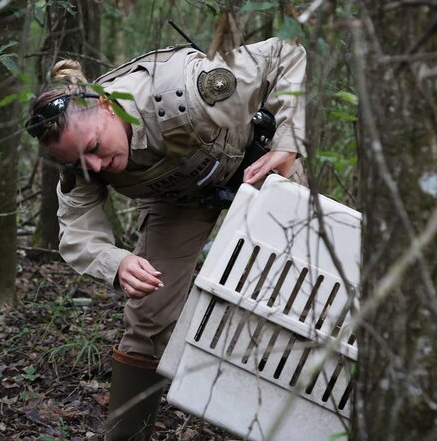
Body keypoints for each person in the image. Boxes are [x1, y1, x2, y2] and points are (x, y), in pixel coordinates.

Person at [26, 37, 307, 440]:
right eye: (79, 161)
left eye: (94, 147)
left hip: (259, 163)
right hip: (178, 198)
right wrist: (118, 262)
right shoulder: (81, 163)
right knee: (149, 313)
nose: (94, 165)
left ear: (106, 104)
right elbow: (76, 230)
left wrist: (289, 143)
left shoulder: (190, 91)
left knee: (298, 295)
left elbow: (284, 52)